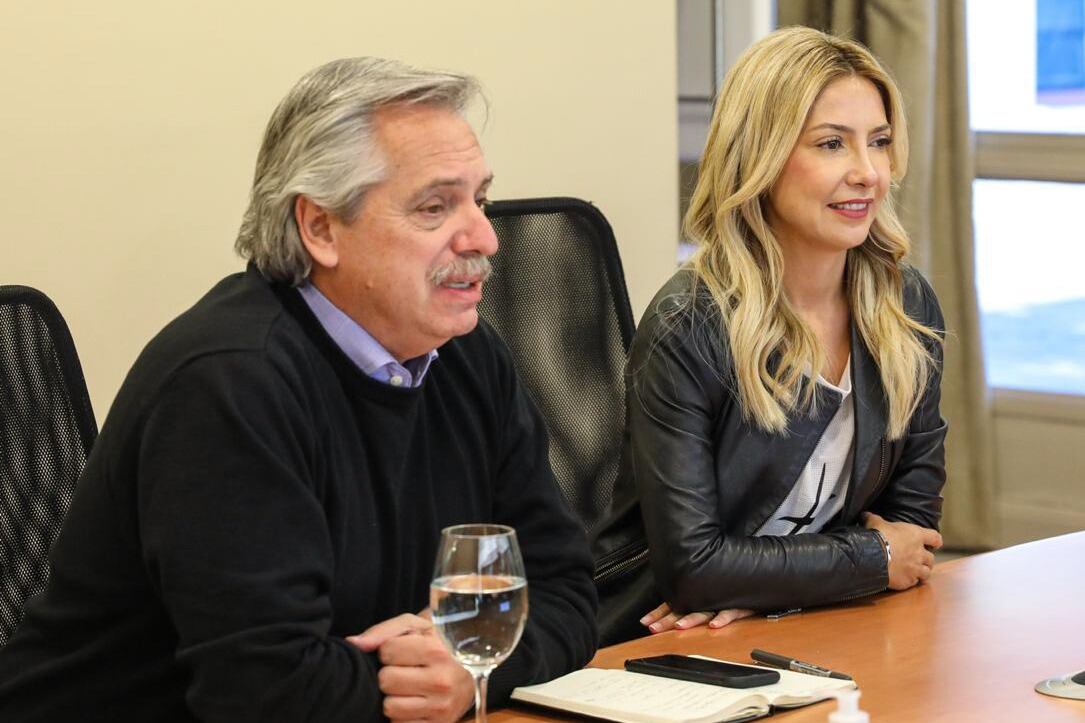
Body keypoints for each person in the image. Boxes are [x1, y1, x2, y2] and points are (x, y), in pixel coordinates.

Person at [0, 57, 597, 721]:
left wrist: (469, 667)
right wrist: (433, 668)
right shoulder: (229, 383)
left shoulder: (467, 355)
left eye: (479, 199)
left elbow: (567, 590)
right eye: (435, 207)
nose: (484, 237)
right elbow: (264, 690)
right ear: (318, 228)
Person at [593, 27, 947, 646]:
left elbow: (913, 531)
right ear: (760, 154)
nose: (868, 173)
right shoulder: (690, 324)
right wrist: (862, 562)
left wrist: (767, 588)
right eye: (832, 144)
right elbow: (695, 568)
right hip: (664, 640)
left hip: (817, 624)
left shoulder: (903, 303)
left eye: (880, 143)